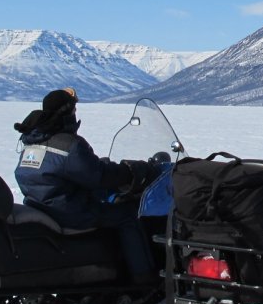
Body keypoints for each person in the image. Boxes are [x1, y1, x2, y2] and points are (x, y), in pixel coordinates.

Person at [14, 87, 157, 285]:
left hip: (42, 205)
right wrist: (132, 171)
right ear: (67, 112)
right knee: (129, 216)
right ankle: (144, 278)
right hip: (69, 211)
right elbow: (98, 176)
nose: (75, 114)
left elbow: (65, 172)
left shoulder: (32, 140)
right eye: (73, 110)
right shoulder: (68, 144)